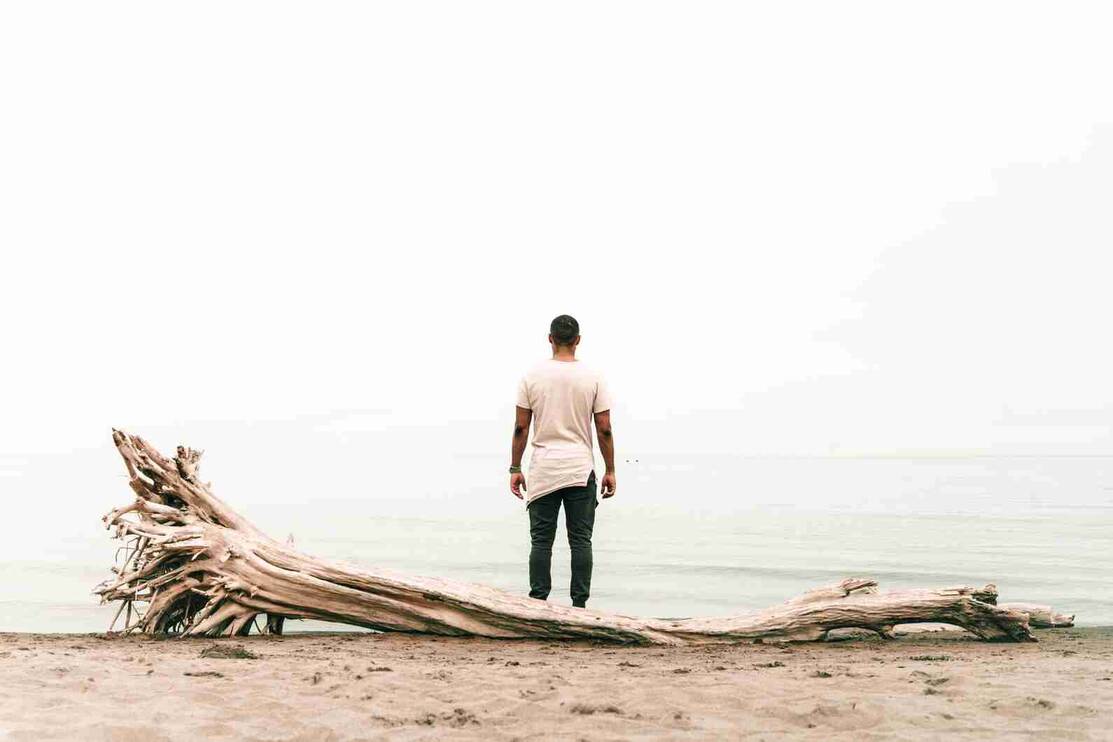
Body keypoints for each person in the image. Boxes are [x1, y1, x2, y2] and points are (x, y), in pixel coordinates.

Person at [509, 314, 616, 608]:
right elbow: (604, 428)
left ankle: (537, 603)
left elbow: (521, 427)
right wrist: (610, 469)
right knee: (580, 540)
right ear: (578, 340)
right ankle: (579, 607)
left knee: (541, 542)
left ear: (550, 339)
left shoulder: (531, 376)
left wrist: (515, 467)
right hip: (580, 469)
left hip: (544, 469)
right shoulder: (593, 377)